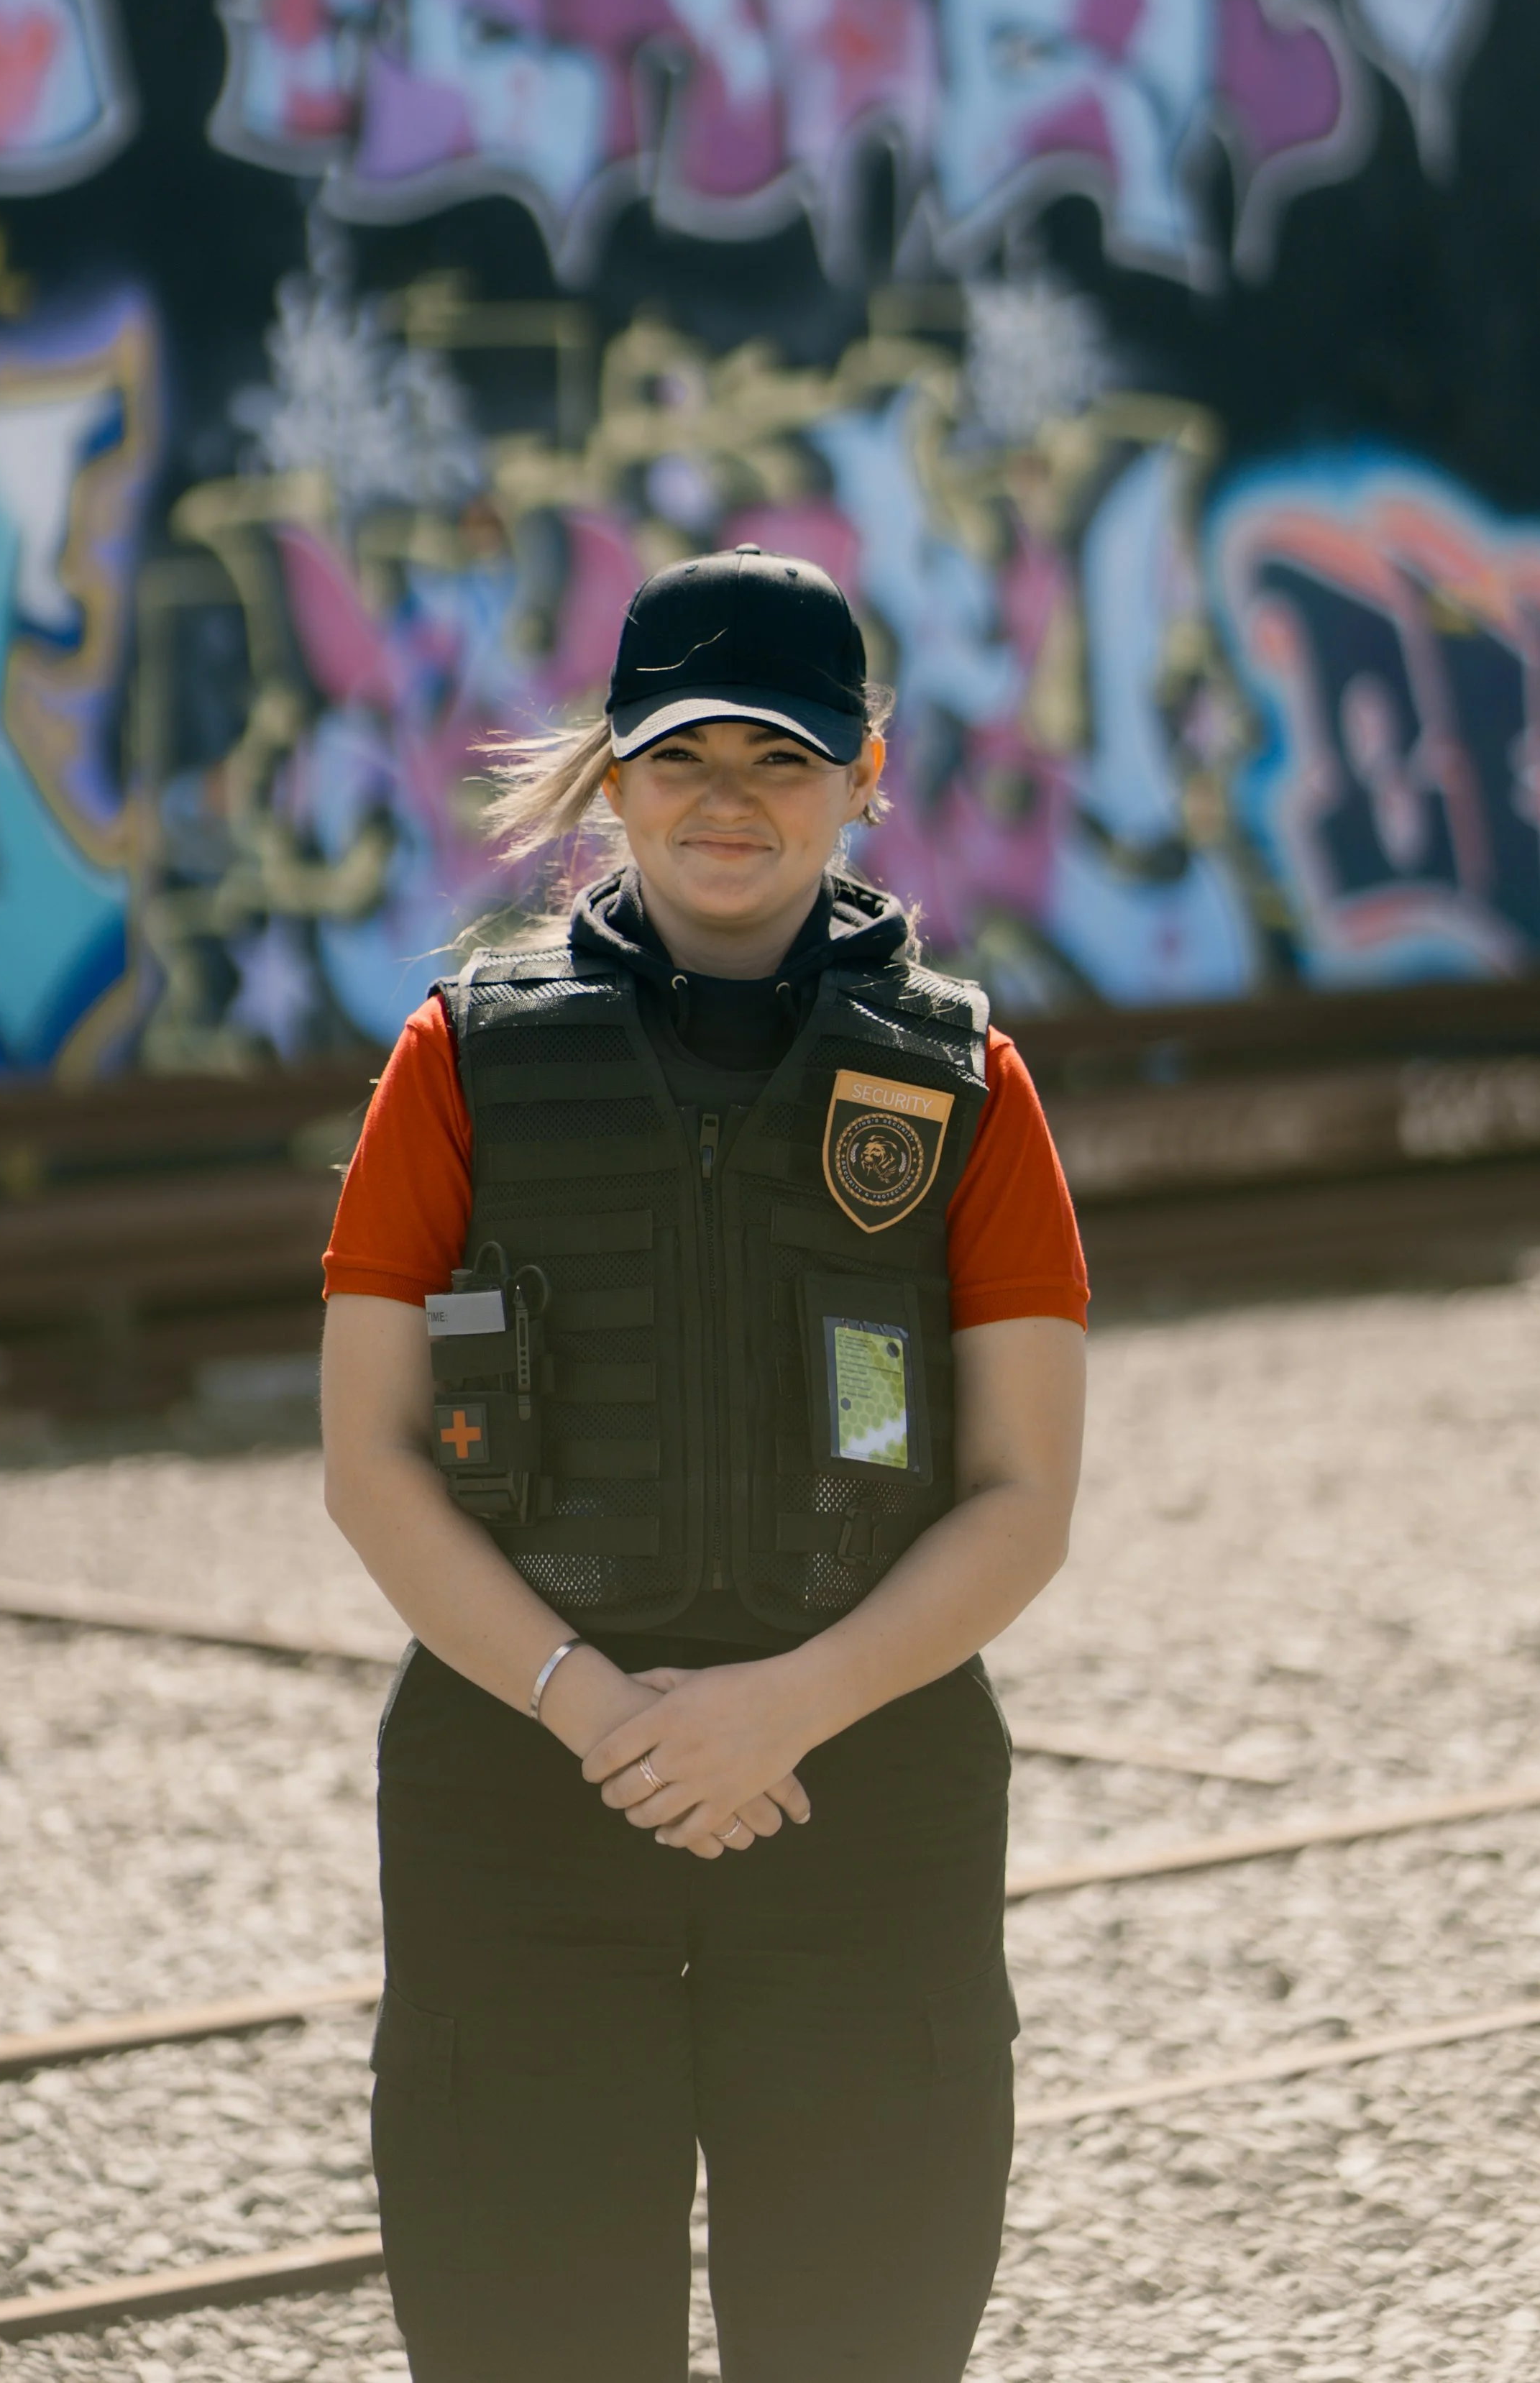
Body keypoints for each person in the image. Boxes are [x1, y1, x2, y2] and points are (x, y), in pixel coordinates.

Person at [320, 544, 1088, 2383]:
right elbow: (368, 1459)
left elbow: (1021, 1496)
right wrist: (599, 1714)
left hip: (860, 1802)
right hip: (519, 1802)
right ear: (610, 768)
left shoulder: (967, 1085)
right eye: (680, 756)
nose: (726, 801)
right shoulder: (456, 1061)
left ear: (866, 773)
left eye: (781, 756)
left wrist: (784, 1710)